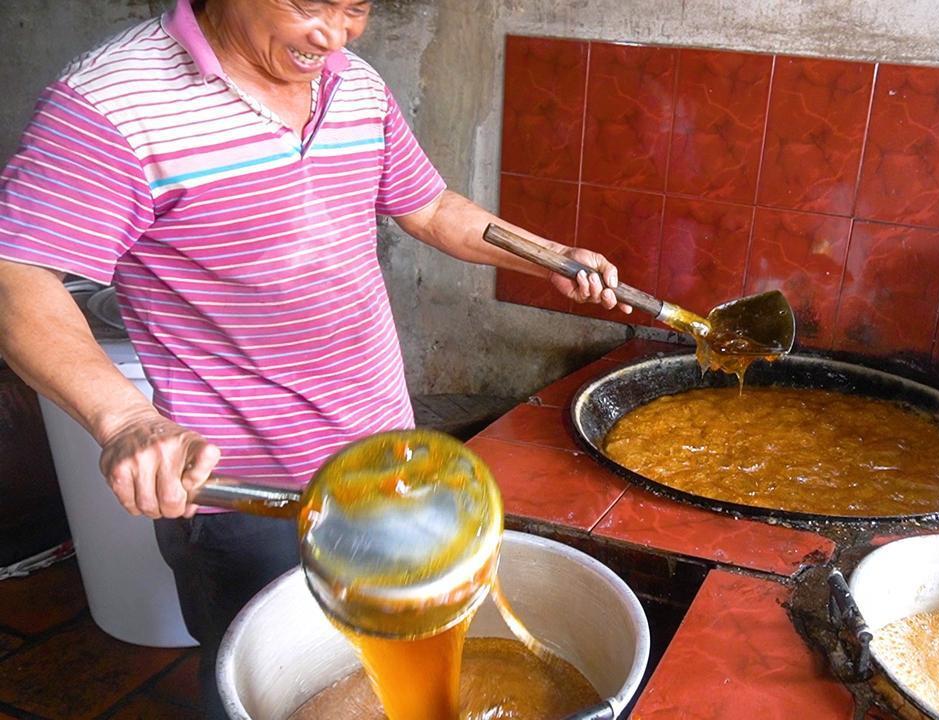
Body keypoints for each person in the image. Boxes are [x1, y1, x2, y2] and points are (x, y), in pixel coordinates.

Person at [0, 0, 629, 716]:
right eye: (308, 4)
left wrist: (544, 254)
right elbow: (17, 277)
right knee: (261, 684)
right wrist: (124, 419)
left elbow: (428, 207)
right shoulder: (112, 104)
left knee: (403, 648)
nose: (333, 35)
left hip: (390, 463)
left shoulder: (352, 83)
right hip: (249, 493)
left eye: (354, 7)